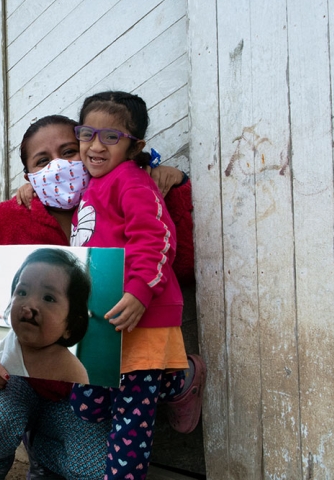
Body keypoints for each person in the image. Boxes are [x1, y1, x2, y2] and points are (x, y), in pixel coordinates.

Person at [0, 114, 193, 480]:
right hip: (8, 377)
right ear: (29, 178)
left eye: (69, 151)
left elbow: (182, 266)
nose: (60, 166)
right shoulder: (0, 220)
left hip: (79, 393)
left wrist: (174, 188)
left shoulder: (121, 212)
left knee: (101, 470)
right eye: (43, 161)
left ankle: (44, 453)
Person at [65, 91, 206, 479]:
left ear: (134, 145)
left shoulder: (131, 182)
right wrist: (28, 187)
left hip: (143, 319)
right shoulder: (90, 184)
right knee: (87, 405)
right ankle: (180, 378)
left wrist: (140, 291)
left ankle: (175, 377)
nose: (95, 145)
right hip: (101, 320)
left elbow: (157, 238)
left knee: (130, 424)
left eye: (111, 137)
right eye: (87, 133)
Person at [0, 247, 91, 384]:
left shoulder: (70, 370)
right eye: (22, 292)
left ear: (70, 325)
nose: (29, 306)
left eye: (48, 298)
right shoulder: (7, 343)